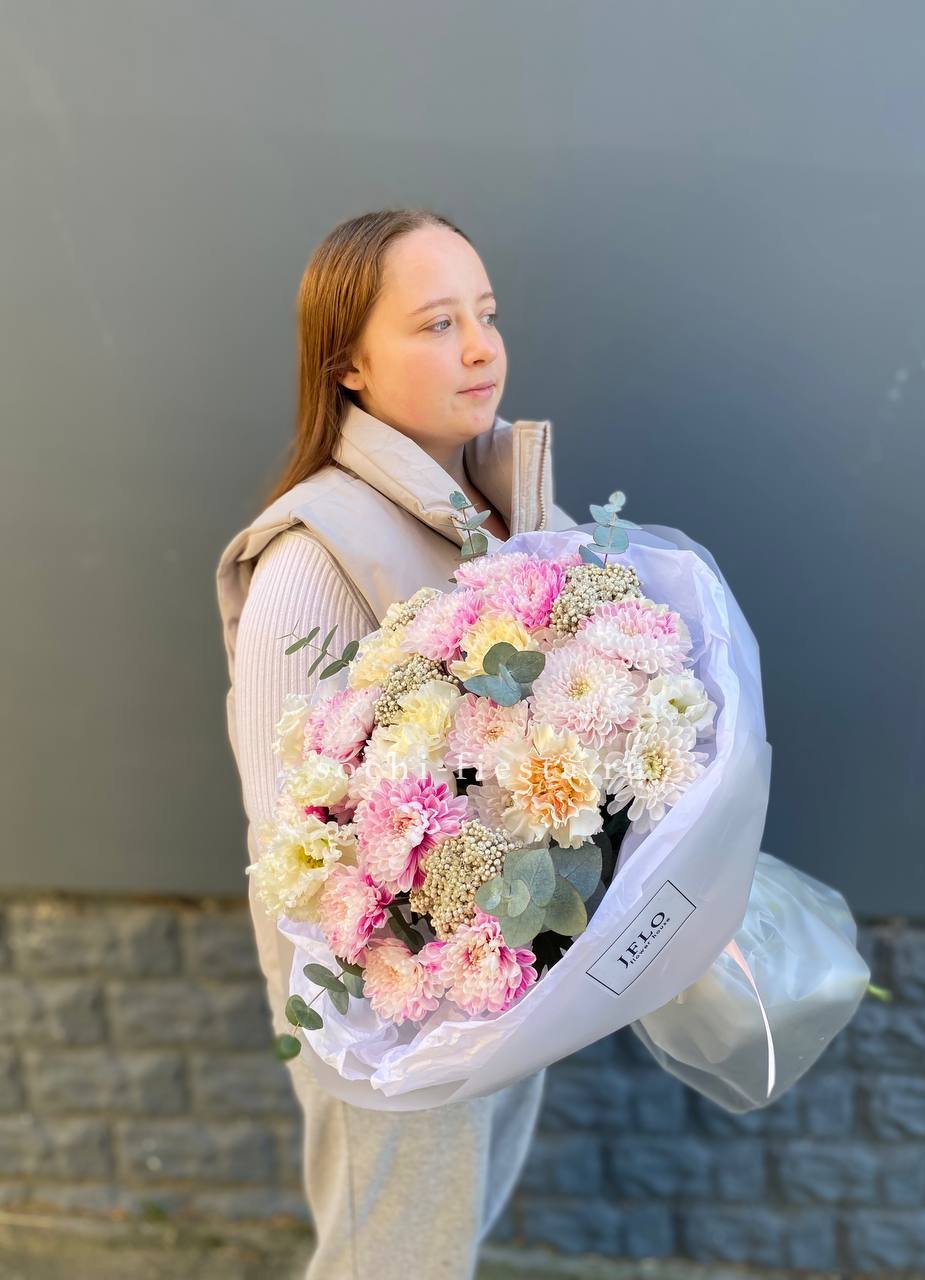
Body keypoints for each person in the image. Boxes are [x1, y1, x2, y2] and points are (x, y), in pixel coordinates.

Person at [215, 208, 579, 1279]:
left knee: (443, 1240)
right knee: (394, 1259)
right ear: (350, 367)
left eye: (486, 314)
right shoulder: (313, 560)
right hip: (391, 998)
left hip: (506, 961)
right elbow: (297, 845)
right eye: (436, 324)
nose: (480, 348)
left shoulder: (503, 513)